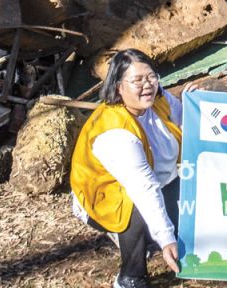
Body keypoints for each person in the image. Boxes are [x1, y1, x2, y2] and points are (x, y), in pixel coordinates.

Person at [71, 48, 182, 288]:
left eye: (151, 76)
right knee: (139, 207)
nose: (147, 85)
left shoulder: (159, 100)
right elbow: (144, 188)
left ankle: (149, 238)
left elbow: (183, 119)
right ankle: (131, 277)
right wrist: (166, 239)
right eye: (137, 80)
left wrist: (195, 101)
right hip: (108, 196)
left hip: (163, 182)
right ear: (118, 87)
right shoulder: (116, 132)